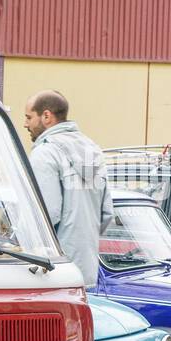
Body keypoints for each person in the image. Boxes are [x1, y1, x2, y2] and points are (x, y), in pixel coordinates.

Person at [24, 90, 113, 287]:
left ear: (46, 116)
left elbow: (47, 214)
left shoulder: (45, 153)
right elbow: (106, 213)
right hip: (87, 272)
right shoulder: (93, 150)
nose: (25, 124)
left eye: (29, 117)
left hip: (53, 272)